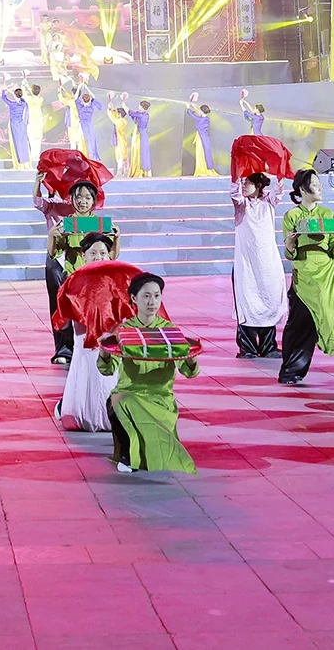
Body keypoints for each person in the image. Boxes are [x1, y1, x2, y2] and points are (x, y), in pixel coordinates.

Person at [97, 272, 201, 473]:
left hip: (161, 396)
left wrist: (190, 357)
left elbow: (189, 372)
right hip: (129, 392)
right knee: (120, 401)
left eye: (156, 295)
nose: (152, 301)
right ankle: (128, 455)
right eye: (146, 296)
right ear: (134, 299)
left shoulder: (170, 330)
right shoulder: (124, 331)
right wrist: (105, 350)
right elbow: (107, 369)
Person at [279, 169, 334, 390]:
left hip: (328, 276)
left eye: (319, 184)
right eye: (316, 184)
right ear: (302, 189)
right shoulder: (292, 216)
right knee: (301, 325)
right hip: (304, 278)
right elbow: (291, 254)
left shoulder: (327, 214)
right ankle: (292, 371)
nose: (321, 188)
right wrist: (290, 245)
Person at [37, 177, 113, 365]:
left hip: (95, 278)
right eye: (78, 197)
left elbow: (111, 255)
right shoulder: (66, 223)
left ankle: (97, 347)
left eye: (87, 198)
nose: (83, 201)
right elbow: (54, 253)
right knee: (67, 315)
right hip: (72, 277)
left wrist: (117, 237)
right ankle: (65, 349)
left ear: (94, 201)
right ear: (71, 199)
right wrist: (52, 236)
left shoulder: (101, 223)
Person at [54, 233, 121, 431]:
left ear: (109, 255)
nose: (98, 257)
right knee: (86, 372)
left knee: (108, 375)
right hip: (84, 341)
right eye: (93, 253)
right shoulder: (74, 282)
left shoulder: (118, 281)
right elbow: (63, 320)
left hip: (110, 342)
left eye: (102, 253)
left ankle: (111, 415)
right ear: (84, 255)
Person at [229, 171, 283, 357]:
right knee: (247, 302)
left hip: (267, 264)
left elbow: (279, 189)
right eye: (243, 182)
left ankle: (268, 347)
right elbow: (235, 193)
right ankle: (248, 347)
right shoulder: (242, 205)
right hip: (246, 264)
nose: (244, 185)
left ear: (259, 186)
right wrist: (235, 173)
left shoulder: (268, 204)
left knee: (269, 300)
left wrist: (281, 170)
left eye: (248, 182)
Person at [0, 83, 30, 167]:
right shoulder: (23, 103)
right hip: (22, 124)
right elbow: (21, 98)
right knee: (23, 141)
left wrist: (3, 90)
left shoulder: (12, 104)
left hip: (14, 124)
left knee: (16, 142)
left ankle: (19, 161)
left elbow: (4, 98)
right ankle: (24, 160)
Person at [187, 96, 214, 176]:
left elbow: (191, 113)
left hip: (201, 139)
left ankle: (202, 169)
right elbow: (199, 113)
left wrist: (189, 107)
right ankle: (206, 169)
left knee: (201, 154)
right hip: (204, 138)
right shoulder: (205, 119)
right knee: (205, 153)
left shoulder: (201, 119)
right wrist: (193, 106)